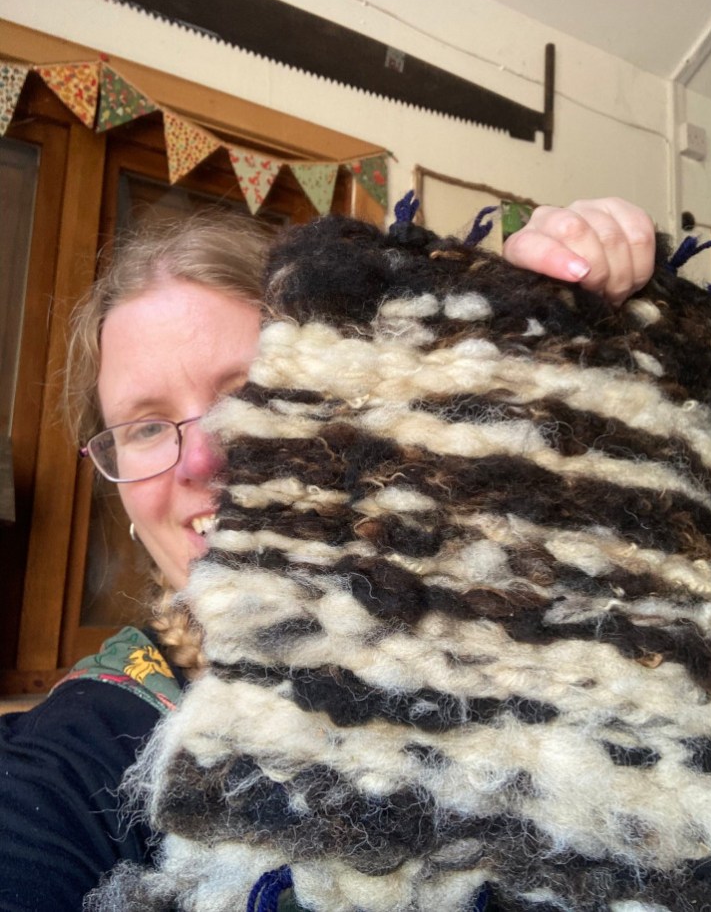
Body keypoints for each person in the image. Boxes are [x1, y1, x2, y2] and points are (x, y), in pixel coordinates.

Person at [0, 197, 656, 912]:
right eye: (147, 427)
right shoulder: (89, 738)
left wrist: (566, 325)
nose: (202, 460)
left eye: (251, 390)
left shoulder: (505, 641)